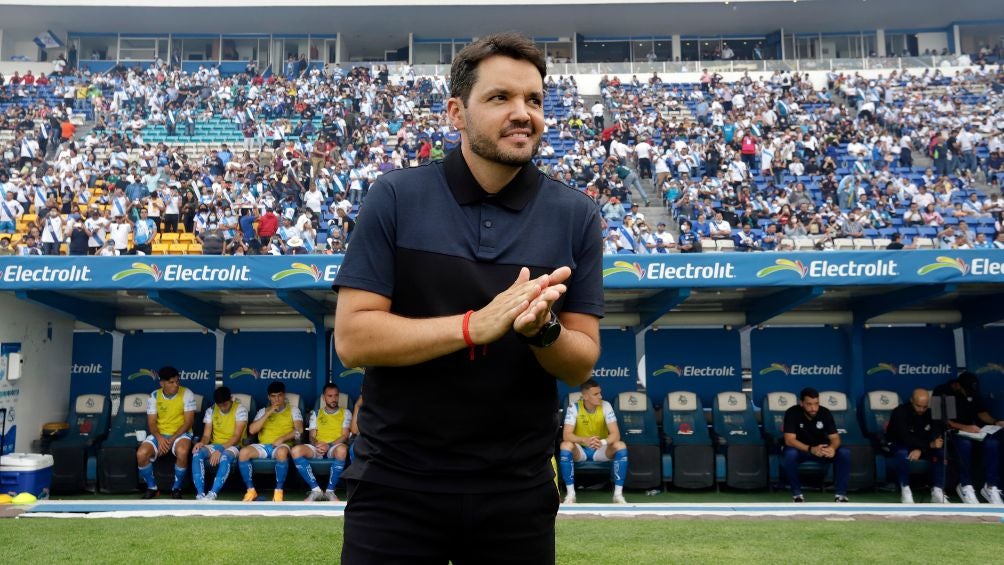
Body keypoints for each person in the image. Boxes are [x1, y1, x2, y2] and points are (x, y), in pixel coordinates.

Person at [333, 32, 602, 564]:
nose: (523, 113)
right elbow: (353, 338)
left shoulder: (576, 215)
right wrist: (472, 326)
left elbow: (580, 363)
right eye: (501, 97)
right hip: (395, 487)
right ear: (456, 112)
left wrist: (542, 331)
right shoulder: (395, 196)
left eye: (534, 100)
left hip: (517, 492)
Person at [558, 379, 629, 504]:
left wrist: (603, 442)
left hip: (600, 449)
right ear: (585, 396)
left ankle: (618, 495)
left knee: (620, 445)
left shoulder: (606, 405)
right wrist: (583, 440)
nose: (600, 396)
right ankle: (570, 494)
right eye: (596, 394)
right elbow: (566, 435)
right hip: (580, 449)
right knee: (565, 445)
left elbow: (616, 434)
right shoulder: (573, 407)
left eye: (600, 393)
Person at [236, 381, 303, 502]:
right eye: (273, 396)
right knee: (243, 453)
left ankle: (278, 491)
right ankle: (251, 490)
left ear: (284, 395)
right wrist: (268, 413)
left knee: (281, 452)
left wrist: (282, 439)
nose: (277, 399)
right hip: (263, 446)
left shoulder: (293, 410)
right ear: (269, 397)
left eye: (279, 395)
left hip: (282, 445)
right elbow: (252, 430)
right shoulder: (263, 411)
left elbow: (299, 430)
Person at [136, 366, 196, 499]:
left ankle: (176, 488)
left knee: (182, 451)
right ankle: (152, 488)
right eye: (171, 382)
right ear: (162, 383)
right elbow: (152, 423)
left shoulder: (187, 393)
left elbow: (188, 422)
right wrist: (160, 438)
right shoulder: (154, 395)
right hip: (160, 434)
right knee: (141, 454)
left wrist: (170, 440)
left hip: (181, 434)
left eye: (177, 381)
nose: (176, 385)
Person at [943, 372, 1004, 504]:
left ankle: (990, 486)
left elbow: (981, 413)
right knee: (965, 445)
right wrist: (966, 427)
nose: (970, 393)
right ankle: (965, 485)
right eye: (967, 390)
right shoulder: (949, 395)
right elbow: (947, 422)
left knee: (992, 443)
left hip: (974, 431)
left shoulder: (974, 394)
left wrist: (996, 422)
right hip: (956, 432)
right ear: (958, 386)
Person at [782, 387, 851, 502]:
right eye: (809, 404)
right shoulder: (792, 412)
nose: (813, 408)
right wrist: (810, 449)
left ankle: (841, 495)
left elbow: (835, 438)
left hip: (821, 449)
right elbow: (789, 440)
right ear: (801, 403)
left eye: (816, 404)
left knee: (844, 452)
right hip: (802, 450)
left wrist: (832, 448)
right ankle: (797, 495)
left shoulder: (825, 412)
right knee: (790, 454)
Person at [291, 383, 351, 502]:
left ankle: (330, 491)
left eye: (336, 395)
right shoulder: (316, 413)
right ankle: (316, 490)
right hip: (318, 446)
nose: (334, 399)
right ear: (323, 398)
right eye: (330, 396)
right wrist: (318, 445)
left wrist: (329, 445)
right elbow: (312, 436)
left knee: (342, 450)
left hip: (334, 446)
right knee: (295, 451)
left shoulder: (346, 412)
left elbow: (345, 435)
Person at [887, 388, 947, 503]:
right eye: (918, 406)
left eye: (925, 407)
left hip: (922, 446)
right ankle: (905, 490)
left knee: (940, 452)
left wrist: (921, 449)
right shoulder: (900, 412)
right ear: (911, 400)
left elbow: (935, 434)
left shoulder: (931, 412)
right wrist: (927, 445)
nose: (921, 410)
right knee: (902, 453)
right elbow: (904, 437)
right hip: (899, 444)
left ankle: (937, 491)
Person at [191, 386, 248, 501]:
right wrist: (201, 443)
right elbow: (207, 436)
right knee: (197, 453)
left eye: (225, 404)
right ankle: (200, 494)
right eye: (219, 405)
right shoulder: (211, 410)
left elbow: (236, 437)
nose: (222, 408)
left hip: (235, 445)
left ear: (231, 399)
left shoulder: (240, 410)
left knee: (225, 456)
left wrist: (220, 450)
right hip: (216, 444)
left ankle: (213, 493)